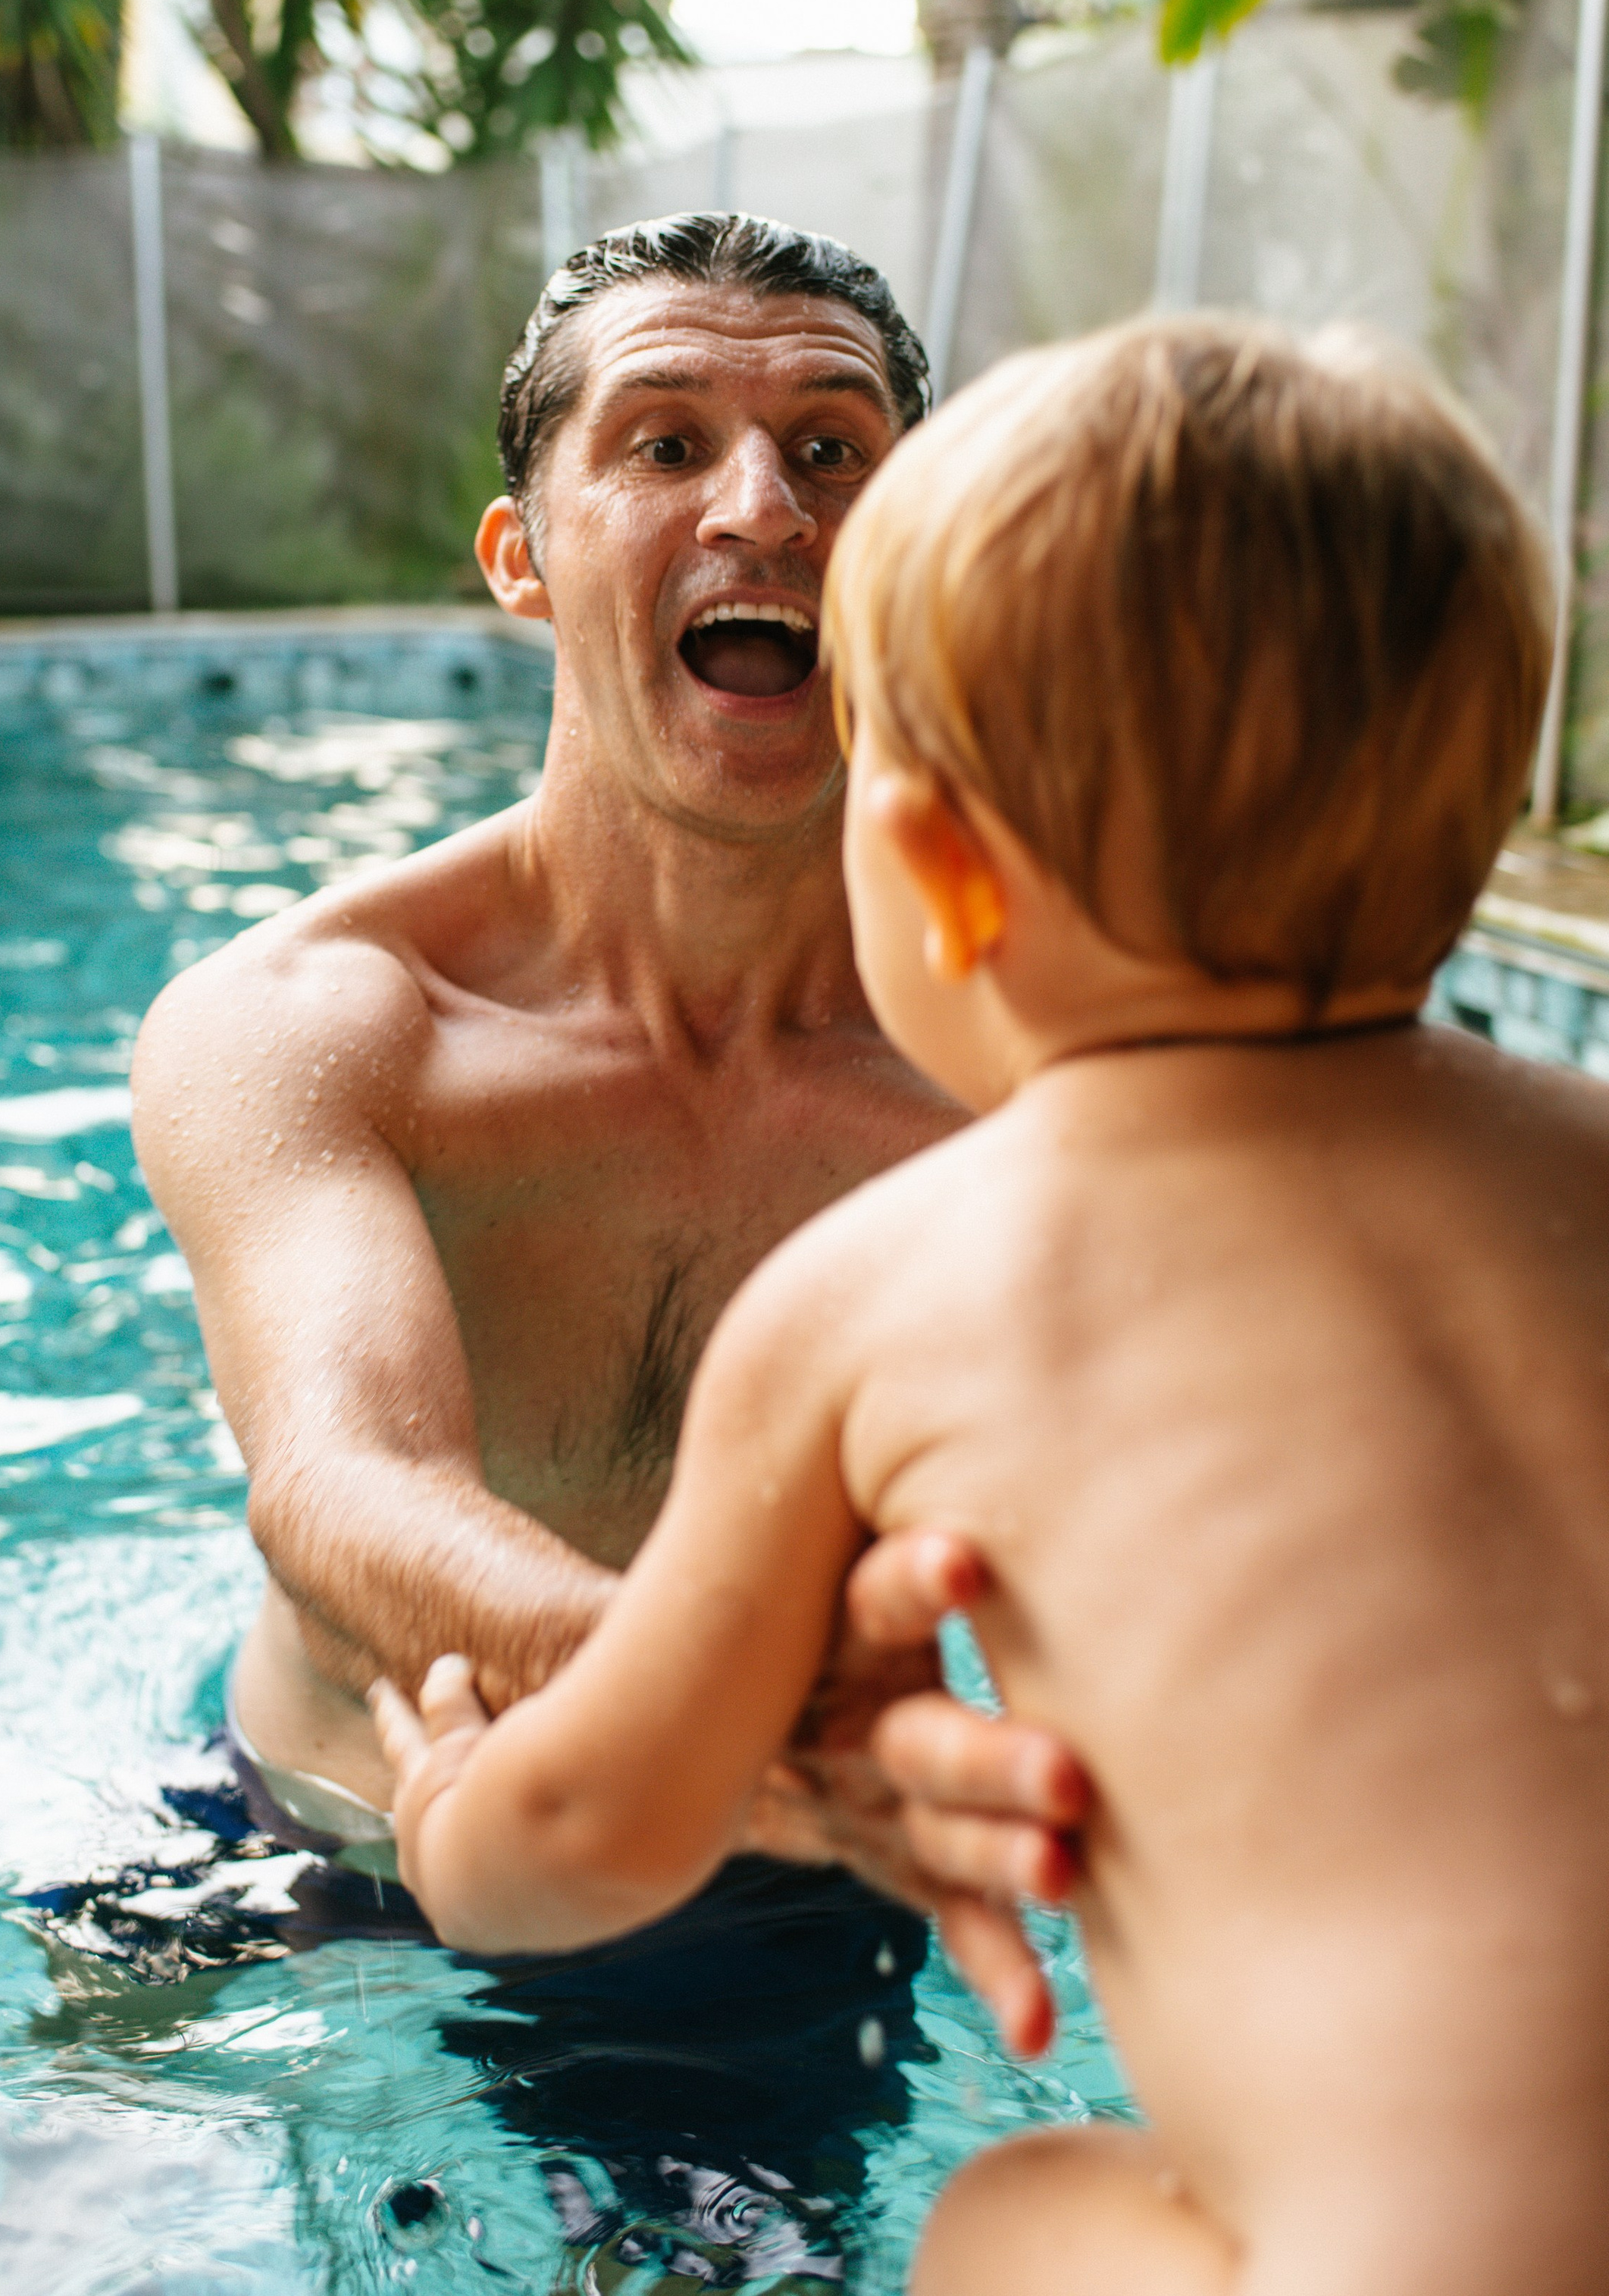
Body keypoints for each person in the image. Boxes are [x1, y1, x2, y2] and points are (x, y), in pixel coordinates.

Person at [375, 312, 1609, 2296]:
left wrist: (453, 1812)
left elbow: (596, 1826)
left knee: (1018, 2219)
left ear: (938, 870)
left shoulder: (899, 1282)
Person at [129, 215, 1085, 2274]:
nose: (761, 501)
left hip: (759, 1883)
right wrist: (750, 1723)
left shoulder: (1025, 1073)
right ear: (521, 555)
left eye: (834, 452)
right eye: (664, 443)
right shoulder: (317, 1025)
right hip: (313, 1825)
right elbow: (341, 1484)